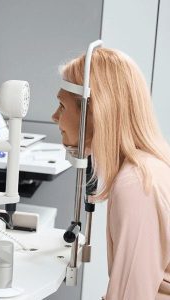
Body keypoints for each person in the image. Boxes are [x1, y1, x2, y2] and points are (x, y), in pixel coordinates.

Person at [53, 47, 170, 299]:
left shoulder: (137, 184)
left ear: (94, 111)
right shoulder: (149, 166)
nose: (54, 117)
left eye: (62, 106)